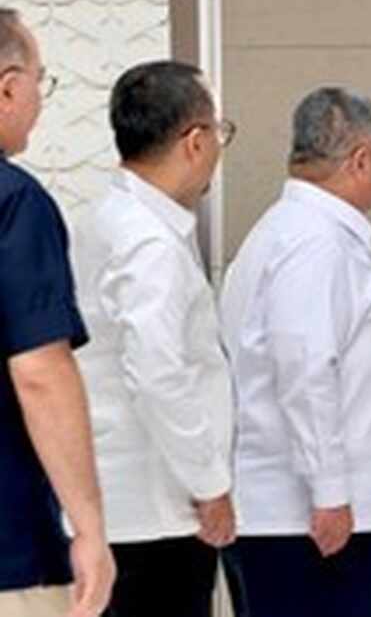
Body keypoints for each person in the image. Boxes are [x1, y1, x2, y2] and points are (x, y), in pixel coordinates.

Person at [220, 87, 371, 617]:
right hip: (321, 520)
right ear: (361, 158)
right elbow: (305, 366)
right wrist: (329, 490)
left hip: (327, 512)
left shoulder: (297, 232)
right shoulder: (315, 242)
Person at [71, 60, 235, 617]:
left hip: (126, 498)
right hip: (155, 508)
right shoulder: (150, 244)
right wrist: (209, 483)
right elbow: (158, 371)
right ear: (194, 141)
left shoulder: (110, 217)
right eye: (219, 131)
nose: (218, 146)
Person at [0, 6, 115, 617]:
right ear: (9, 86)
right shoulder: (16, 202)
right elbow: (40, 371)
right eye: (42, 83)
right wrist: (90, 529)